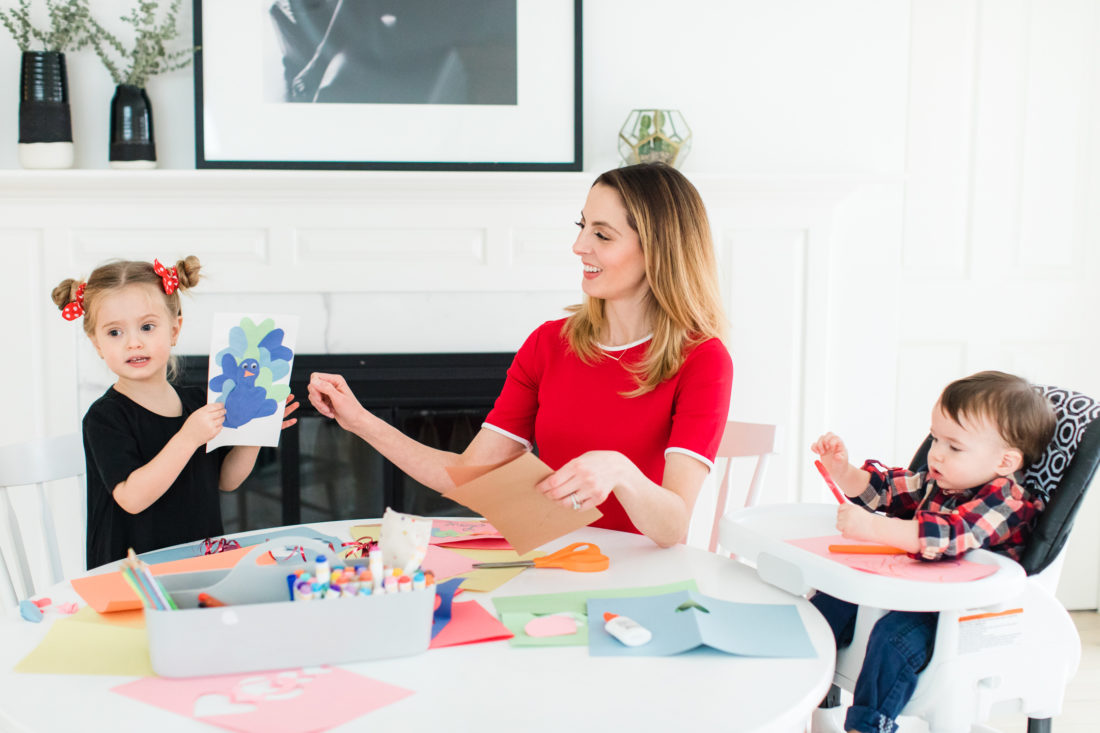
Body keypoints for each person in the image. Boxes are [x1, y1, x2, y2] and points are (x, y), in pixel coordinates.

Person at [309, 163, 733, 547]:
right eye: (582, 226)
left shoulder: (702, 360)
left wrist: (620, 471)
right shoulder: (548, 345)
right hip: (555, 561)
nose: (579, 246)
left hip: (642, 576)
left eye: (602, 235)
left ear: (658, 251)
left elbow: (674, 527)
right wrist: (361, 421)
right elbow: (467, 476)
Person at [808, 370, 1056, 733]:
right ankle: (799, 682)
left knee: (892, 640)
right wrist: (843, 471)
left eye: (953, 447)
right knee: (831, 599)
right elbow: (886, 489)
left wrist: (873, 527)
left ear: (1004, 462)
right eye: (935, 438)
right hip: (920, 591)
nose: (935, 453)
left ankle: (867, 725)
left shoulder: (1007, 501)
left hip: (962, 615)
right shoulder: (942, 481)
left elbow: (950, 534)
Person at [52, 257, 299, 568]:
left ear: (174, 329)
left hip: (199, 561)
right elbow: (131, 498)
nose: (134, 342)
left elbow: (226, 480)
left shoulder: (199, 401)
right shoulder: (105, 417)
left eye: (147, 327)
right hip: (131, 571)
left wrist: (255, 434)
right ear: (97, 344)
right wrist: (188, 438)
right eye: (115, 333)